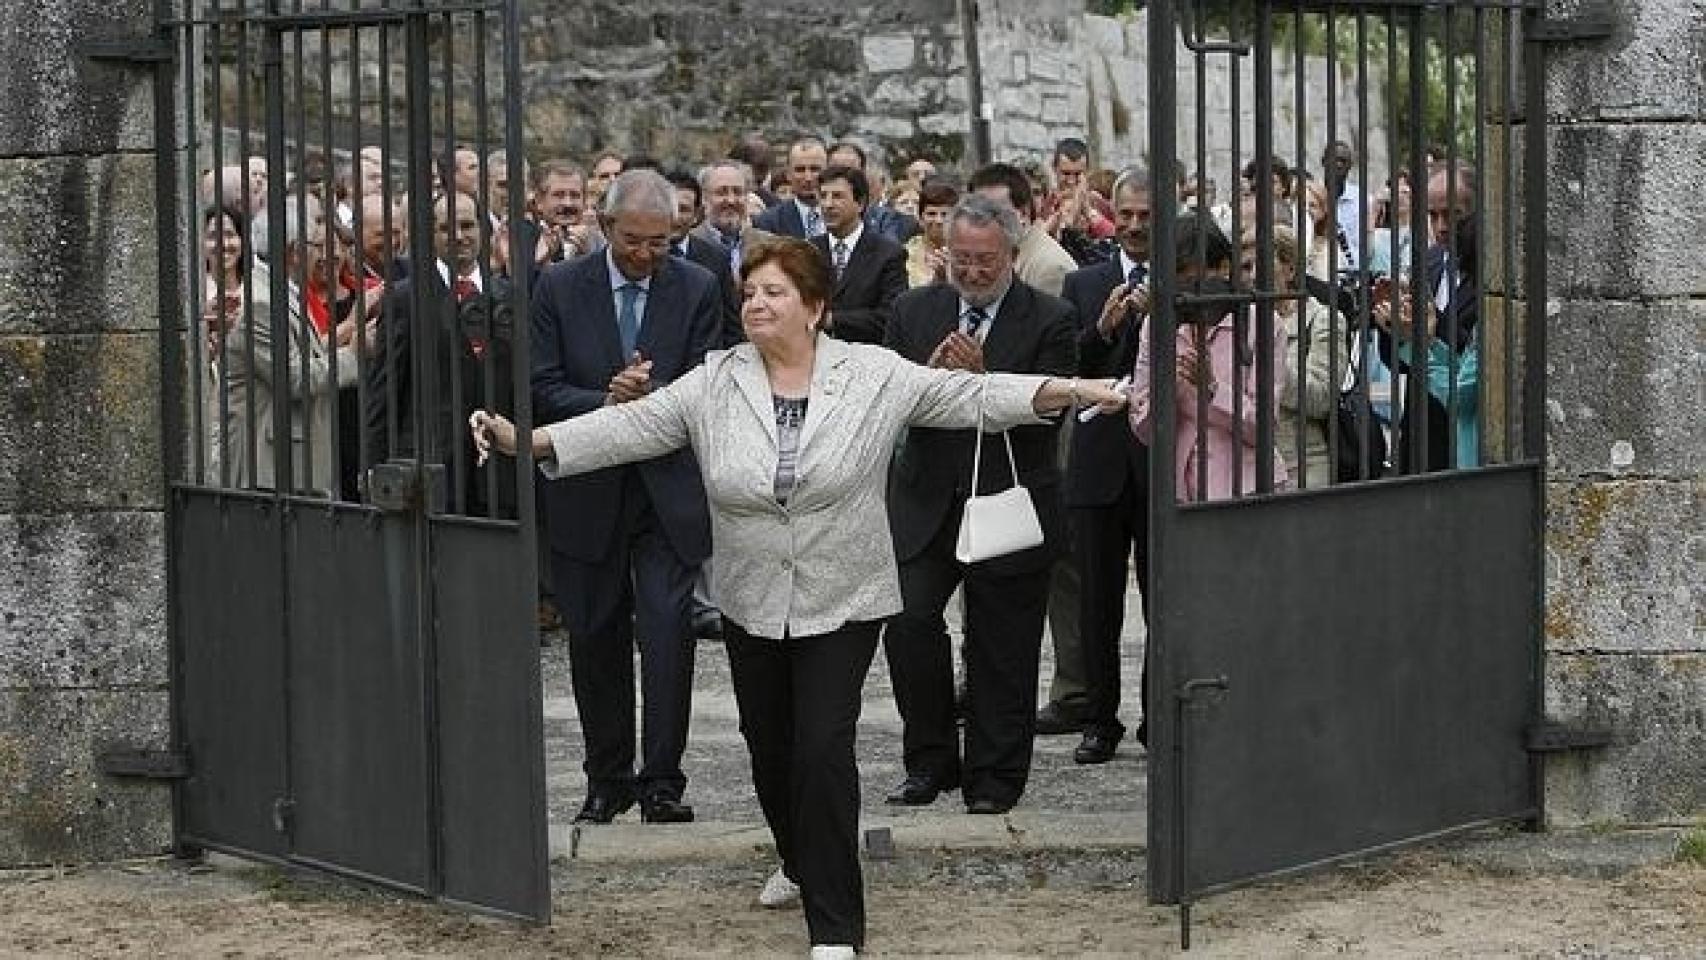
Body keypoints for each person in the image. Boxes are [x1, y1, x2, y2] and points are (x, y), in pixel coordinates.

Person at [470, 236, 1125, 960]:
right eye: (749, 292)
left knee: (822, 747)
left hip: (843, 594)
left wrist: (1076, 390)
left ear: (814, 307)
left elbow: (971, 395)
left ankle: (836, 925)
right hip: (752, 595)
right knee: (769, 750)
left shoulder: (872, 374)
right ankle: (796, 854)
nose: (756, 303)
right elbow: (629, 428)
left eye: (774, 292)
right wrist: (522, 440)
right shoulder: (715, 380)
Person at [529, 170, 720, 827]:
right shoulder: (558, 287)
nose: (645, 255)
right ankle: (606, 779)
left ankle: (662, 781)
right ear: (606, 228)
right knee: (595, 638)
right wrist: (606, 400)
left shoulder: (696, 287)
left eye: (660, 243)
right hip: (588, 490)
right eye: (634, 241)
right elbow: (540, 386)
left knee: (669, 637)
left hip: (666, 492)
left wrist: (655, 393)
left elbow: (708, 382)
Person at [881, 195, 1080, 815]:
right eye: (960, 260)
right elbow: (888, 400)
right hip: (925, 502)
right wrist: (930, 374)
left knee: (1001, 647)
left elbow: (1049, 418)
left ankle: (994, 777)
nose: (970, 273)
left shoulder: (1052, 318)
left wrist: (985, 378)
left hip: (1008, 499)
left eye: (984, 262)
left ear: (1012, 257)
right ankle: (930, 758)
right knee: (909, 623)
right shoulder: (914, 310)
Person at [1060, 166, 1155, 759]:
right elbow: (1069, 358)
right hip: (1097, 457)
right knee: (1097, 600)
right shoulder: (1084, 283)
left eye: (1147, 216)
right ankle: (1099, 719)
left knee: (1160, 596)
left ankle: (1156, 716)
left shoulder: (1182, 276)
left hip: (1158, 457)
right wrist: (1104, 328)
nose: (1136, 226)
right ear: (1111, 215)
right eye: (1127, 215)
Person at [1130, 212, 1291, 502]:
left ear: (1224, 268)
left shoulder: (1262, 325)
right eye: (1177, 285)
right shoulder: (1157, 325)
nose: (1185, 297)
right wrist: (1167, 388)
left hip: (1246, 490)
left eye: (1194, 282)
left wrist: (1212, 389)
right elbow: (1144, 428)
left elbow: (1263, 428)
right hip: (1178, 494)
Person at [1261, 226, 1338, 489]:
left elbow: (1322, 398)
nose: (1251, 277)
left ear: (1290, 269)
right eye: (1245, 268)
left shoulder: (1321, 319)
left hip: (1301, 464)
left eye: (1262, 265)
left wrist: (1272, 368)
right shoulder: (1236, 322)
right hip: (1245, 465)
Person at [810, 165, 908, 344]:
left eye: (837, 196)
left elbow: (890, 316)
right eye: (823, 196)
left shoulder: (888, 254)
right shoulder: (809, 250)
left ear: (860, 203)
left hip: (867, 358)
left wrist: (832, 320)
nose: (828, 204)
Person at [753, 137, 829, 238]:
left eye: (815, 169)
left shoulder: (847, 218)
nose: (808, 178)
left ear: (828, 171)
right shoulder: (767, 223)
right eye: (800, 170)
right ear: (788, 174)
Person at [903, 178, 958, 288]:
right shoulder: (904, 253)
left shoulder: (965, 253)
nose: (938, 220)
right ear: (920, 218)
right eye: (931, 214)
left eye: (945, 214)